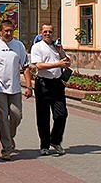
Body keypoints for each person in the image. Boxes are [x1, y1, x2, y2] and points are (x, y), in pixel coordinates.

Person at [0, 19, 32, 161]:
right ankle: (6, 148)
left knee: (17, 115)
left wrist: (29, 86)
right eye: (6, 30)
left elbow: (25, 66)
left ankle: (9, 136)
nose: (8, 33)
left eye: (11, 30)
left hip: (15, 88)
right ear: (0, 31)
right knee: (3, 118)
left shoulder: (18, 45)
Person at [30, 24, 70, 156]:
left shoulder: (56, 46)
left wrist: (61, 52)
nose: (48, 34)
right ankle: (44, 145)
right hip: (43, 84)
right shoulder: (37, 47)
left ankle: (55, 140)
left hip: (57, 84)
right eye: (45, 32)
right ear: (41, 33)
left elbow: (67, 62)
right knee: (43, 116)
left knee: (61, 113)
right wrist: (58, 64)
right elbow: (39, 65)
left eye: (50, 32)